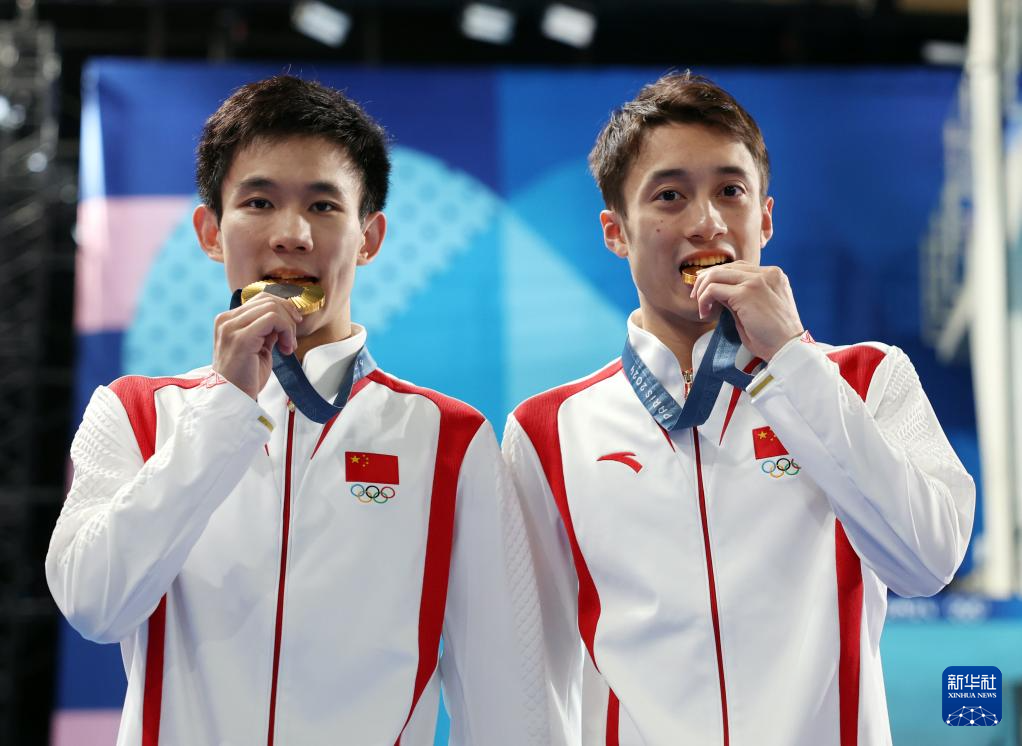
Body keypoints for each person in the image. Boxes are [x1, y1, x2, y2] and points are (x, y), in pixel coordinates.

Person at [47, 75, 549, 746]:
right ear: (210, 232)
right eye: (259, 202)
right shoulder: (136, 413)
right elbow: (94, 605)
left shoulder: (450, 440)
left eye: (323, 205)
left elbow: (506, 703)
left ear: (369, 237)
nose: (292, 234)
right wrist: (223, 412)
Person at [502, 72, 975, 745]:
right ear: (615, 232)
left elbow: (927, 563)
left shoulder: (867, 378)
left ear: (766, 218)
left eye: (731, 191)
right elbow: (530, 672)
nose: (708, 223)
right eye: (669, 196)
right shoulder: (548, 431)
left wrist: (791, 362)